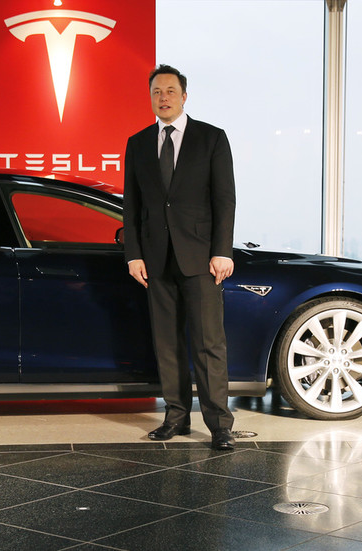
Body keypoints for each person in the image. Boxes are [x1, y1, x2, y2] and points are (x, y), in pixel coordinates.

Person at [122, 64, 236, 450]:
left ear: (184, 96)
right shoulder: (138, 143)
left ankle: (220, 424)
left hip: (202, 258)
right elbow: (132, 207)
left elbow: (224, 200)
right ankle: (176, 417)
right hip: (155, 260)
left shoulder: (211, 139)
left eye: (170, 91)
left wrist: (222, 250)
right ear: (150, 97)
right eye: (156, 92)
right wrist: (133, 255)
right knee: (167, 343)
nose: (163, 98)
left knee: (208, 343)